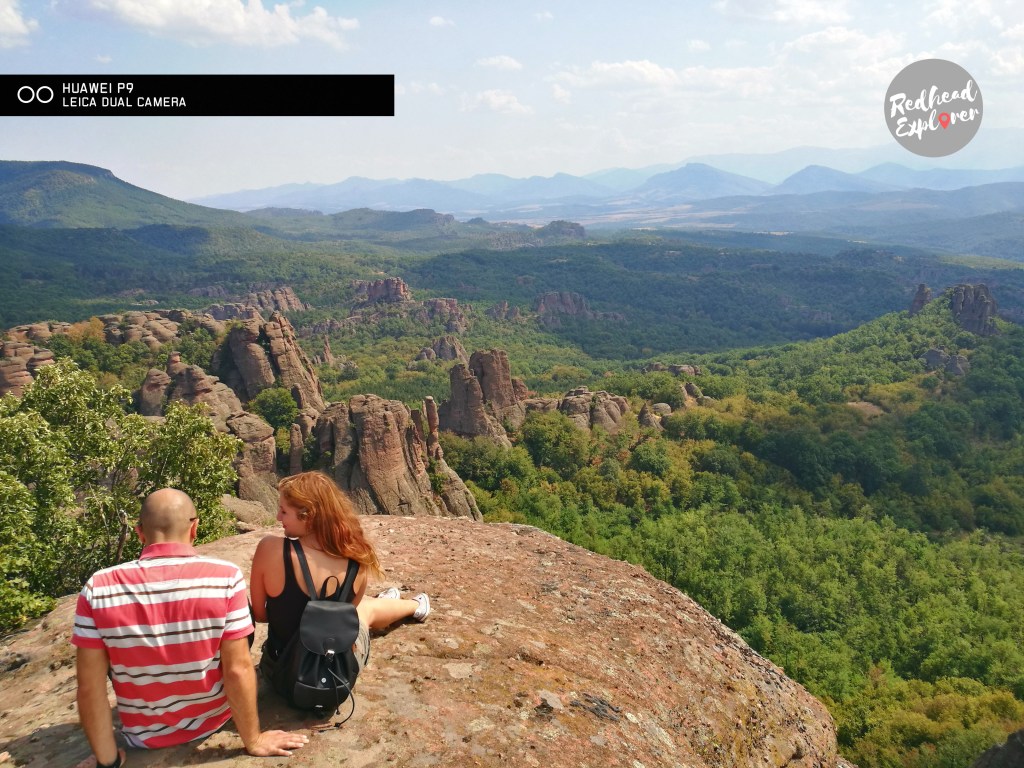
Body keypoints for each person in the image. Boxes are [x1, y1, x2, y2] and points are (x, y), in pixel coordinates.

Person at [72, 488, 308, 768]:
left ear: (139, 532)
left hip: (142, 737)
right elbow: (237, 668)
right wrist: (253, 741)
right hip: (214, 720)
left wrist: (106, 760)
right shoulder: (225, 577)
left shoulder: (98, 587)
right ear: (194, 528)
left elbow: (89, 687)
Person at [249, 471, 430, 688]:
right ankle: (414, 605)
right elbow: (343, 622)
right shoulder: (357, 558)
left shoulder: (270, 549)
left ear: (308, 515)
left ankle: (404, 604)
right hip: (335, 675)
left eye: (284, 511)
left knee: (355, 608)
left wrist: (290, 609)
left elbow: (259, 615)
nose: (278, 518)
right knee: (361, 610)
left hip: (281, 673)